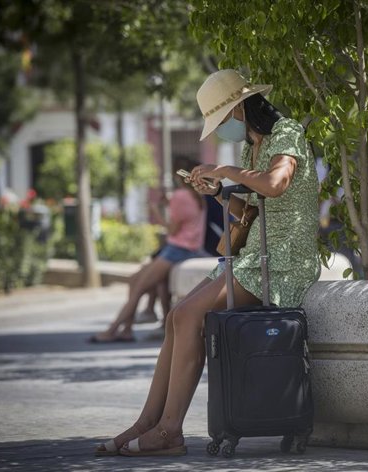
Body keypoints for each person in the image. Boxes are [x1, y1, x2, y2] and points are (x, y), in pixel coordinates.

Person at [94, 69, 320, 457]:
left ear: (239, 109)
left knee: (185, 317)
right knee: (176, 317)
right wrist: (218, 191)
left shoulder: (288, 132)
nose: (223, 130)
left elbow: (276, 184)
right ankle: (148, 421)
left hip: (284, 261)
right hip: (255, 256)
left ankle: (169, 432)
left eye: (223, 119)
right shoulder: (253, 146)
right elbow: (251, 207)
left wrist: (225, 171)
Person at [89, 175, 207, 343]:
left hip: (178, 250)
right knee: (134, 280)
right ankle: (127, 330)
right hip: (182, 249)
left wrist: (155, 210)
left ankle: (111, 330)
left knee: (137, 288)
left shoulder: (180, 196)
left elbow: (172, 230)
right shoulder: (195, 196)